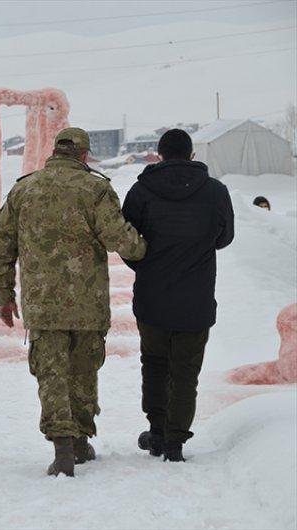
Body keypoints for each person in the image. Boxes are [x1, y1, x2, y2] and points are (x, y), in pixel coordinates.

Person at [0, 128, 147, 477]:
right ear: (83, 155)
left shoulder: (24, 189)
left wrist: (5, 297)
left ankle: (62, 449)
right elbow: (119, 239)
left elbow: (3, 247)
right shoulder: (96, 189)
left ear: (55, 152)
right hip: (87, 306)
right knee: (82, 373)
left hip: (42, 306)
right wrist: (147, 250)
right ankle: (79, 443)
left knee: (51, 376)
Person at [122, 129, 234, 462]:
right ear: (191, 155)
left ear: (159, 154)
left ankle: (156, 432)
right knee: (185, 371)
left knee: (155, 364)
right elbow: (225, 237)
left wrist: (145, 265)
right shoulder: (215, 192)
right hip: (196, 299)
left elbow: (126, 239)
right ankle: (175, 442)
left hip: (152, 297)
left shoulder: (142, 190)